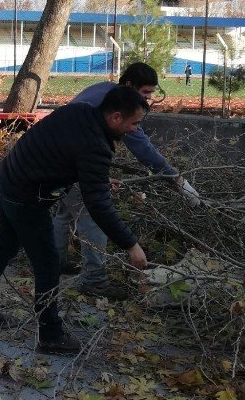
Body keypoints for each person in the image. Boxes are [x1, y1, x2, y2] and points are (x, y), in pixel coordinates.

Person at [0, 86, 150, 355]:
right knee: (49, 263)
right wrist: (131, 244)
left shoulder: (79, 112)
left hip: (9, 179)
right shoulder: (96, 146)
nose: (135, 129)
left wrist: (96, 179)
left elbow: (59, 153)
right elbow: (98, 205)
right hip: (25, 196)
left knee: (5, 247)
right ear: (115, 117)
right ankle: (50, 334)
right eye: (134, 123)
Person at [54, 62, 202, 298]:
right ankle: (94, 280)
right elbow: (141, 146)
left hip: (61, 157)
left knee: (65, 211)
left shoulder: (104, 89)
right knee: (92, 216)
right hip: (73, 159)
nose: (148, 99)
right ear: (129, 85)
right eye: (145, 93)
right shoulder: (119, 105)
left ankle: (56, 263)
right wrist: (173, 176)